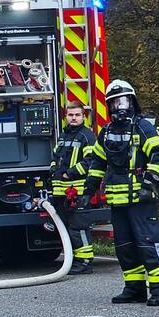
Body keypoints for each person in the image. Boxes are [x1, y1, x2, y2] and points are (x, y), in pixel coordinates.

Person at [84, 80, 159, 306]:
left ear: (132, 102)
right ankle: (134, 289)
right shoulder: (107, 132)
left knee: (148, 244)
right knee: (125, 248)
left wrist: (148, 184)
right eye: (114, 103)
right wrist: (88, 191)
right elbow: (97, 162)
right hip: (118, 201)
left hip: (141, 200)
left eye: (123, 101)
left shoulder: (143, 127)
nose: (119, 107)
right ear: (109, 106)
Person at [49, 102, 98, 274]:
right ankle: (74, 260)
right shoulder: (64, 136)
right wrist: (53, 168)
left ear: (83, 116)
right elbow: (56, 156)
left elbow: (91, 161)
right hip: (62, 192)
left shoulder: (87, 136)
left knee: (79, 228)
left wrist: (70, 173)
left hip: (77, 191)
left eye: (77, 115)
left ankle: (85, 262)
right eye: (71, 115)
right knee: (68, 228)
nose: (74, 118)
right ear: (66, 116)